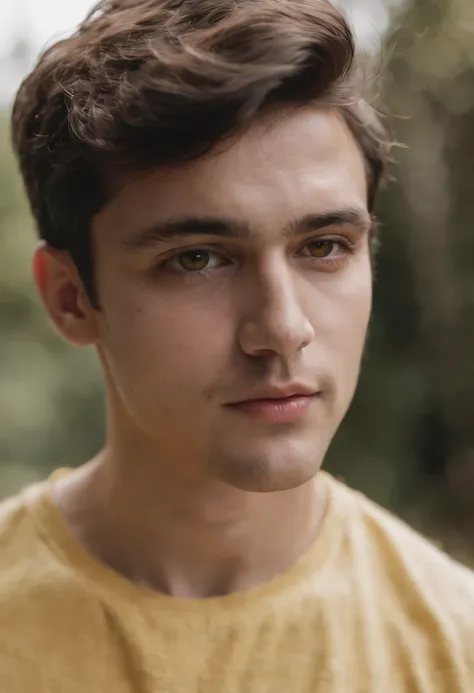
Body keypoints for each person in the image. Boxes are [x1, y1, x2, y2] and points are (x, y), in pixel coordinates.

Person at [2, 0, 474, 690]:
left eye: (324, 246)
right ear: (72, 298)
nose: (283, 327)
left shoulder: (454, 646)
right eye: (197, 259)